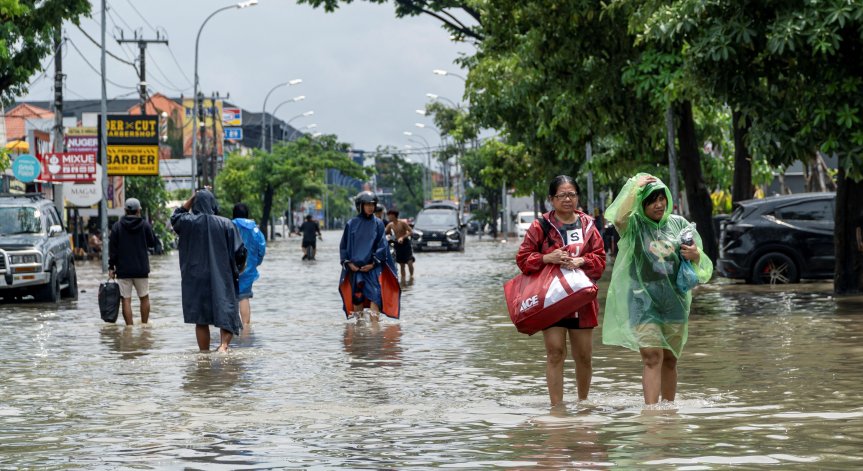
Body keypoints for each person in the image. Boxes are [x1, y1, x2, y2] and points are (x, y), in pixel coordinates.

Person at [602, 173, 713, 405]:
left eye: (662, 198)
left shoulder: (679, 224)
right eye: (652, 200)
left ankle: (669, 411)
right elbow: (619, 218)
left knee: (671, 359)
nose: (659, 204)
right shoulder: (634, 226)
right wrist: (634, 188)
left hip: (675, 303)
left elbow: (700, 262)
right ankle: (651, 414)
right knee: (653, 357)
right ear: (642, 204)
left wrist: (696, 255)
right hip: (642, 302)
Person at [516, 175, 606, 406]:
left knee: (584, 356)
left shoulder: (588, 224)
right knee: (555, 352)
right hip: (551, 299)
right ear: (551, 199)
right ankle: (557, 409)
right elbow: (523, 259)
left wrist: (582, 261)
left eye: (572, 194)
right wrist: (547, 257)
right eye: (562, 195)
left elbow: (600, 259)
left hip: (582, 300)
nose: (567, 199)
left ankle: (583, 404)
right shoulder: (540, 226)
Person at [171, 189, 247, 352]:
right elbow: (240, 251)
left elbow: (175, 216)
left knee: (201, 318)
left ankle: (204, 354)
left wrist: (193, 197)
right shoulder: (226, 223)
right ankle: (223, 347)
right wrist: (238, 269)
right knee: (227, 312)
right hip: (222, 276)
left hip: (195, 278)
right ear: (213, 204)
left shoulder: (186, 222)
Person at [338, 191, 401, 321]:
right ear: (360, 206)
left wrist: (373, 263)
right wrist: (349, 264)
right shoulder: (351, 224)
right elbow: (344, 246)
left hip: (373, 268)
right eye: (367, 204)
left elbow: (382, 245)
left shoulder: (378, 224)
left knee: (376, 297)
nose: (370, 207)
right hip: (356, 269)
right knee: (357, 299)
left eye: (372, 204)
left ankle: (375, 330)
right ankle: (359, 332)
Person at [108, 197, 157, 325]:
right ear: (138, 211)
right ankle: (145, 326)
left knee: (126, 299)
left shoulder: (117, 227)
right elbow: (152, 243)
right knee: (144, 297)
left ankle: (129, 328)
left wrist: (111, 267)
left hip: (123, 270)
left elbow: (112, 249)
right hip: (141, 268)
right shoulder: (145, 225)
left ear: (125, 210)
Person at [231, 203, 266, 325]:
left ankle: (229, 327)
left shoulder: (228, 226)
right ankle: (246, 329)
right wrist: (255, 263)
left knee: (228, 296)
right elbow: (261, 248)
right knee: (244, 297)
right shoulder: (255, 230)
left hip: (228, 267)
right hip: (248, 268)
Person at [385, 209, 415, 283]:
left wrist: (402, 237)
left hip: (405, 243)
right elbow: (385, 232)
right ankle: (403, 280)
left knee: (409, 262)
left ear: (394, 215)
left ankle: (411, 277)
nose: (388, 217)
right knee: (401, 264)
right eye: (388, 215)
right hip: (397, 245)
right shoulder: (390, 225)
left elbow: (411, 231)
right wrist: (388, 236)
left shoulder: (402, 223)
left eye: (390, 215)